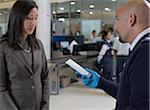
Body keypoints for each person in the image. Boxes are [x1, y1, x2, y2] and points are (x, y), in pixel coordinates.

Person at [76, 0, 149, 109]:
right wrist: (100, 82)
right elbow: (127, 95)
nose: (115, 27)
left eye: (117, 20)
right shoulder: (140, 48)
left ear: (131, 20)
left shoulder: (145, 52)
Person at [0, 1, 50, 110]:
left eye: (35, 18)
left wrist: (45, 105)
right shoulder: (3, 47)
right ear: (17, 18)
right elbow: (1, 88)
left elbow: (45, 77)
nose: (33, 23)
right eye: (29, 18)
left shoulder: (38, 45)